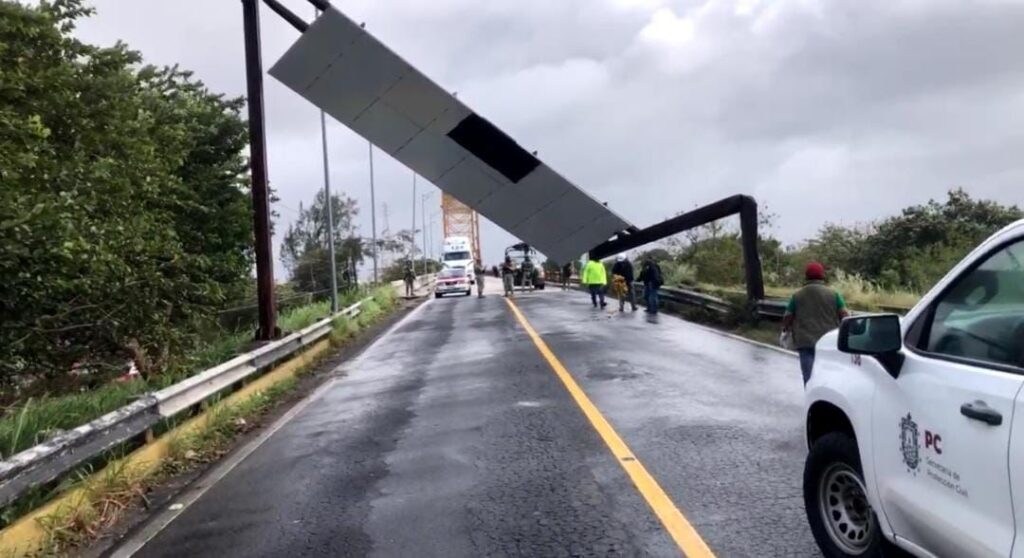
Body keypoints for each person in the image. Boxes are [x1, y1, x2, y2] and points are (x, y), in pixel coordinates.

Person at [781, 262, 849, 385]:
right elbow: (844, 315)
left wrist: (787, 328)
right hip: (828, 343)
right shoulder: (834, 295)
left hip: (805, 342)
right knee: (829, 377)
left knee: (809, 378)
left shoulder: (797, 296)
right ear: (822, 276)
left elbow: (787, 317)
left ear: (806, 277)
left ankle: (811, 400)